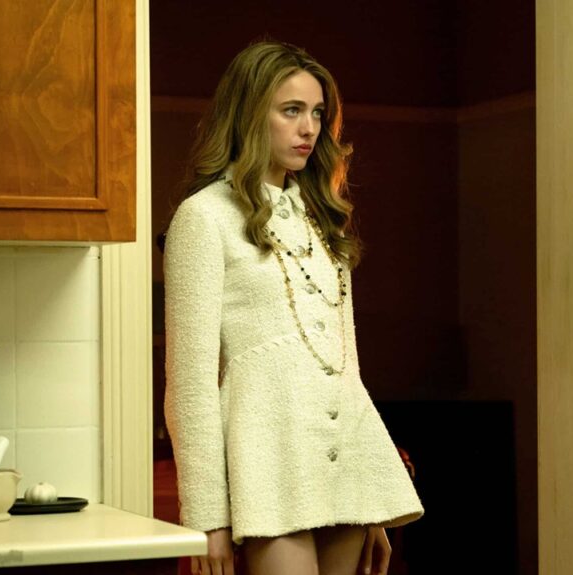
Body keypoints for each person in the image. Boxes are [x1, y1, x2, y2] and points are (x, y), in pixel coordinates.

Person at [163, 41, 424, 575]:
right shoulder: (204, 217)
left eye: (318, 113)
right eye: (291, 111)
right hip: (268, 467)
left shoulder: (322, 218)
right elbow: (189, 387)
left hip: (346, 470)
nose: (309, 129)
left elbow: (345, 364)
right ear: (248, 114)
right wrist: (207, 518)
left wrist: (370, 497)